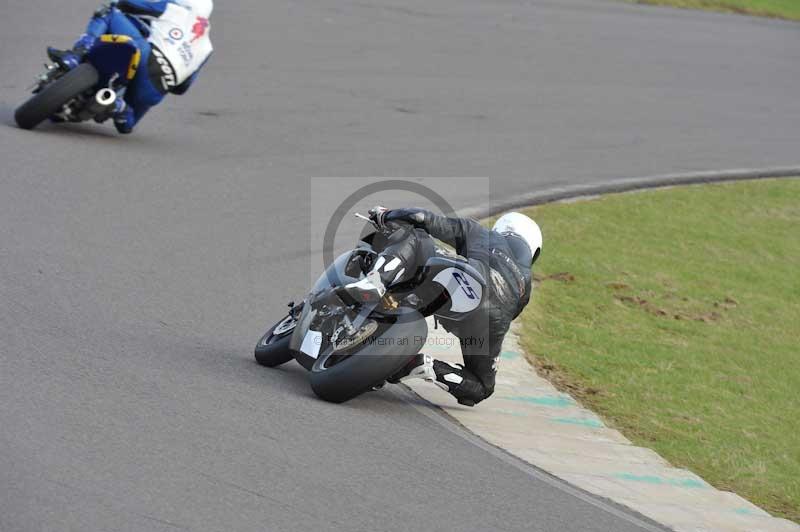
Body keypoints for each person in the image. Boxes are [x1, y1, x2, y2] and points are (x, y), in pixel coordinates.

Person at [367, 207, 542, 406]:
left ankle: (374, 283)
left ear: (501, 229)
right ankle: (423, 365)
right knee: (482, 386)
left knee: (415, 236)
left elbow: (422, 218)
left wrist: (386, 215)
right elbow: (507, 316)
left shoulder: (483, 233)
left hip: (465, 281)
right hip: (489, 321)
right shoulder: (526, 286)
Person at [47, 0, 213, 133]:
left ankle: (76, 55)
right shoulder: (207, 48)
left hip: (147, 57)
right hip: (157, 88)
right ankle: (120, 108)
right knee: (127, 125)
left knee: (109, 12)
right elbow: (181, 88)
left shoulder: (176, 8)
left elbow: (127, 4)